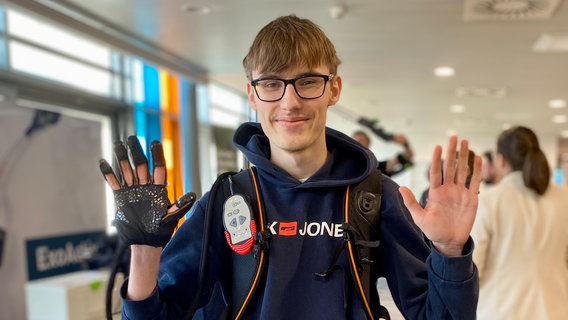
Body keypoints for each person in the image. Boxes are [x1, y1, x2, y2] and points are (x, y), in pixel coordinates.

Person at [99, 15, 482, 319]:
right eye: (271, 84)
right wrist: (145, 252)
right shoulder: (225, 200)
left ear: (334, 89)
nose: (290, 102)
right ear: (252, 93)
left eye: (308, 81)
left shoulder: (374, 196)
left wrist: (449, 252)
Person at [470, 126, 568, 319]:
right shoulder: (564, 199)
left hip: (500, 311)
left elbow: (474, 269)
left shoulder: (489, 202)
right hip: (556, 310)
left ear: (501, 160)